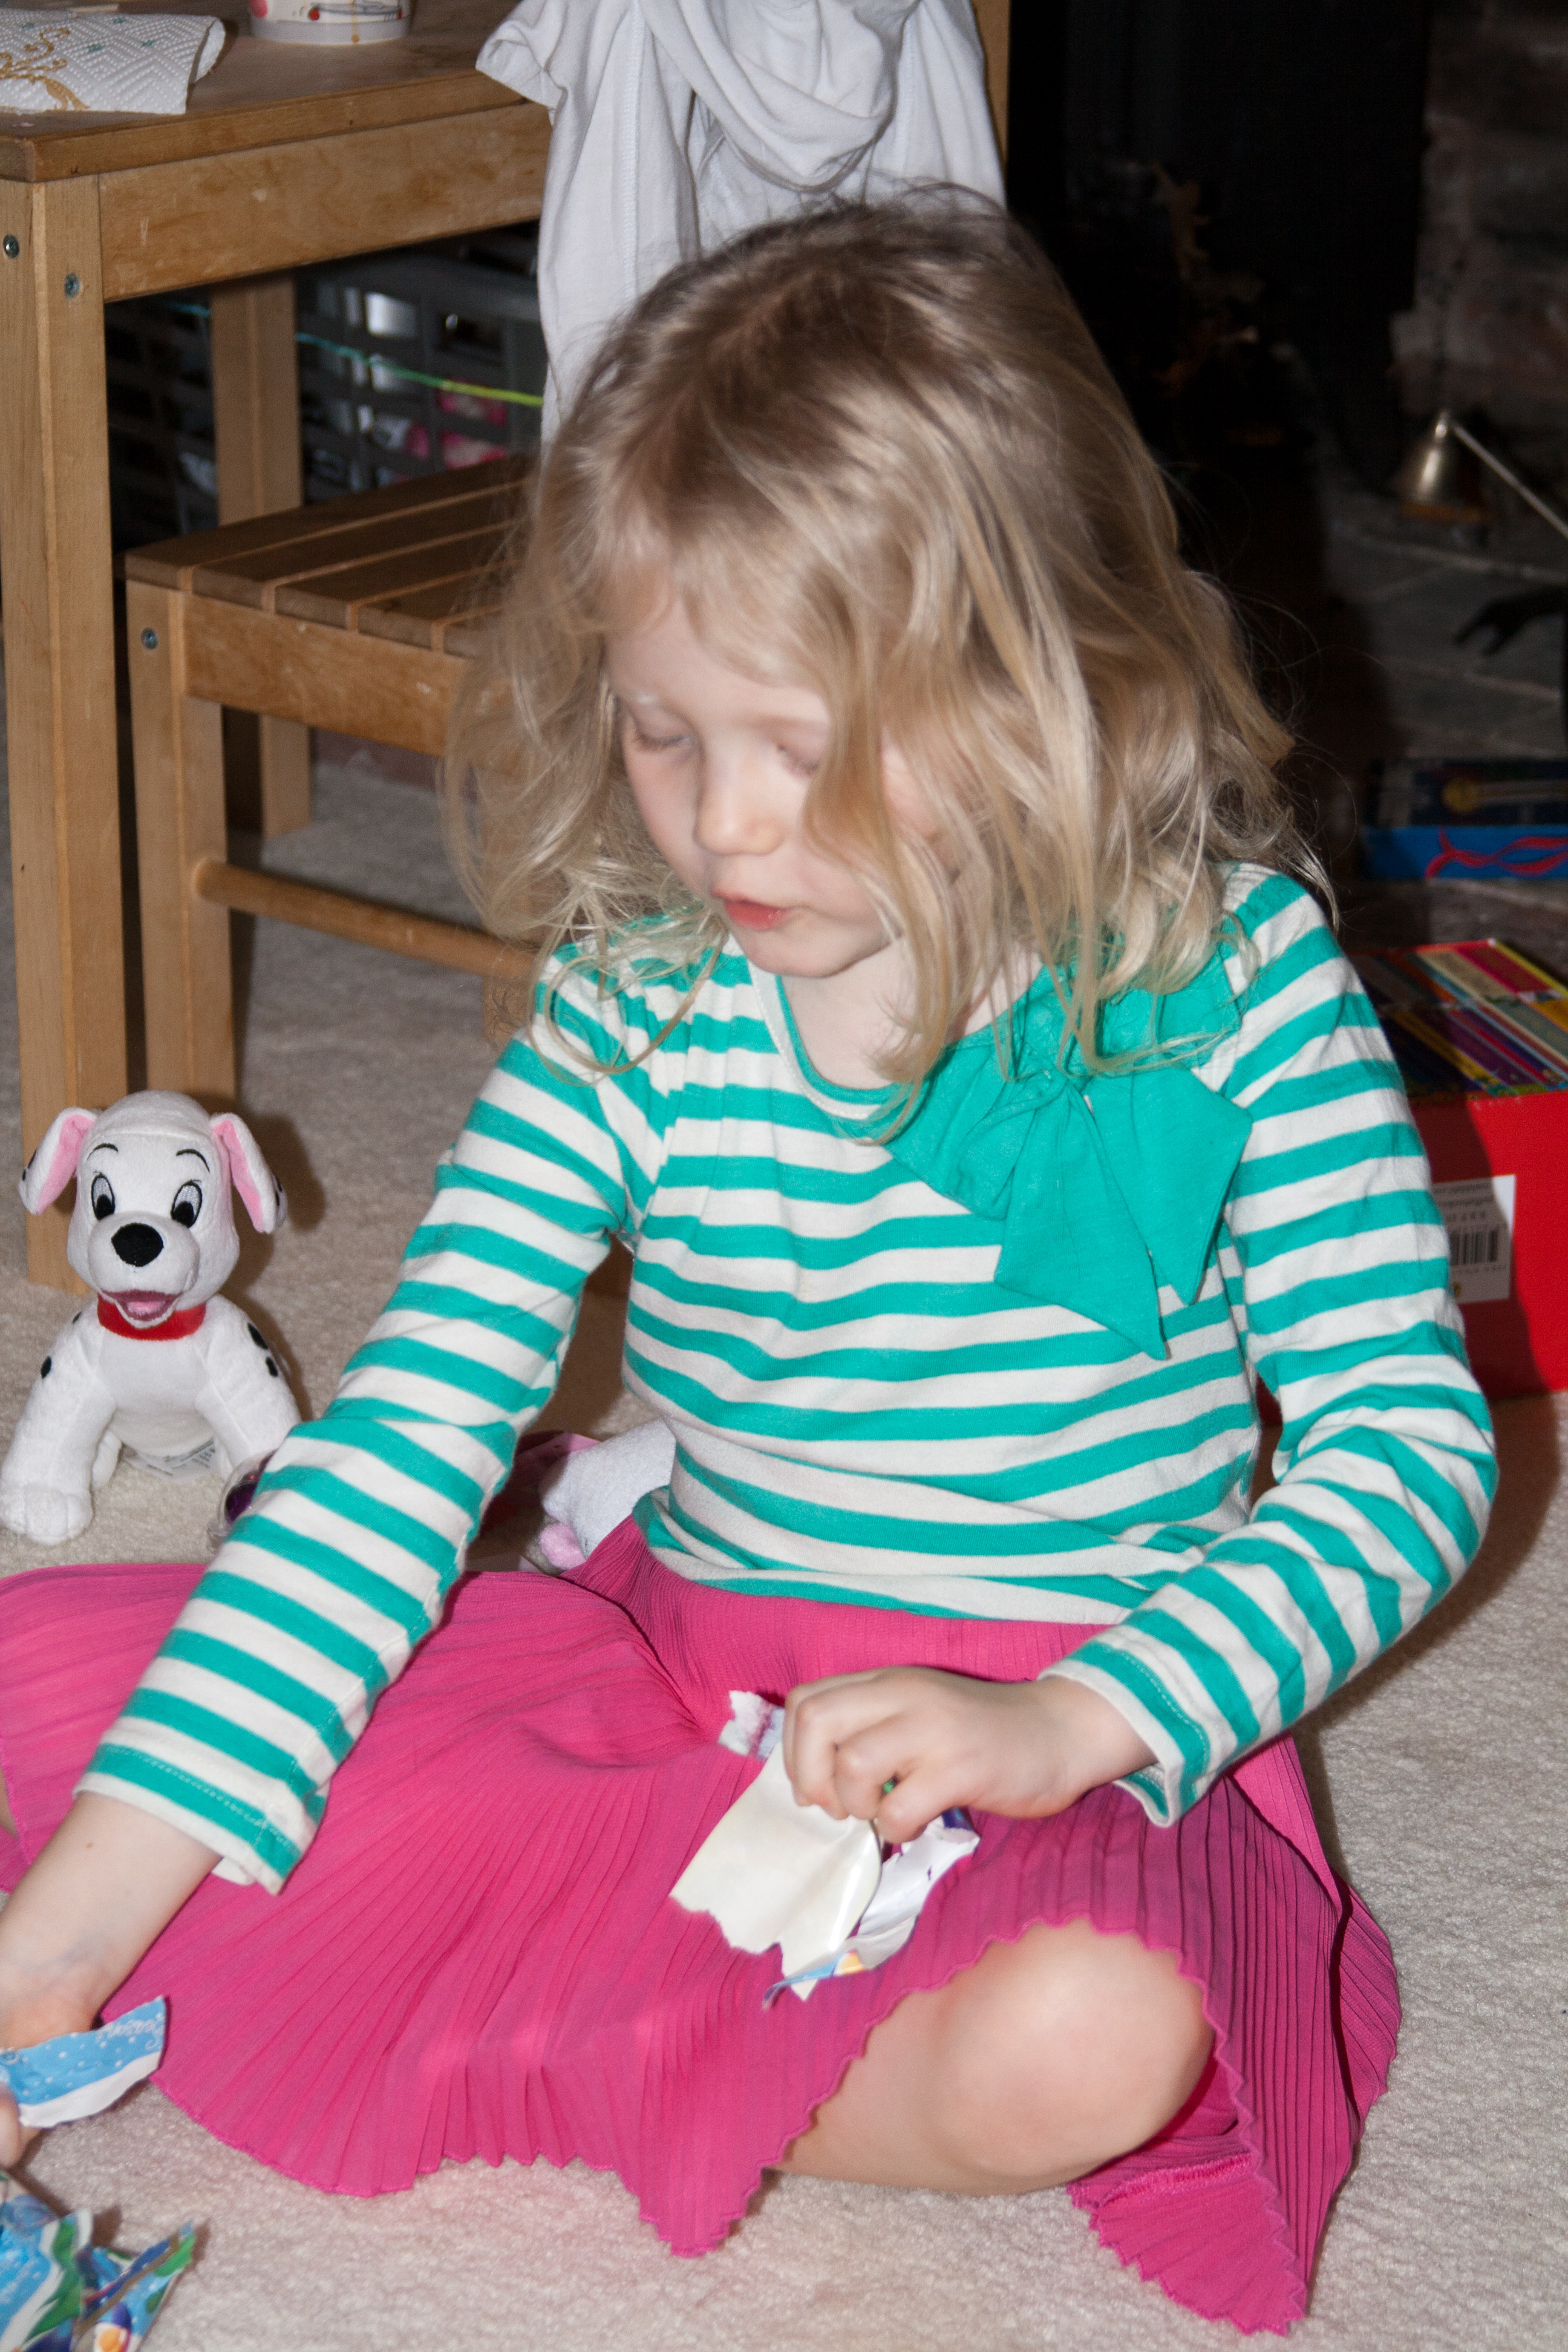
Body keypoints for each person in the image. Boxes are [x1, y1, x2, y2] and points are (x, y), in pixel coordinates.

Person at [0, 200, 1494, 2334]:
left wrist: (1084, 1717)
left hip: (1083, 1712)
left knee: (1099, 2042)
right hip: (687, 1693)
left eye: (809, 746)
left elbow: (1406, 1452)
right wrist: (53, 1954)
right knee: (92, 1742)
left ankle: (588, 2034)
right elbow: (403, 1447)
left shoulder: (1241, 984)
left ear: (1042, 675)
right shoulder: (634, 1007)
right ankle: (603, 1992)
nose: (725, 829)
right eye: (666, 730)